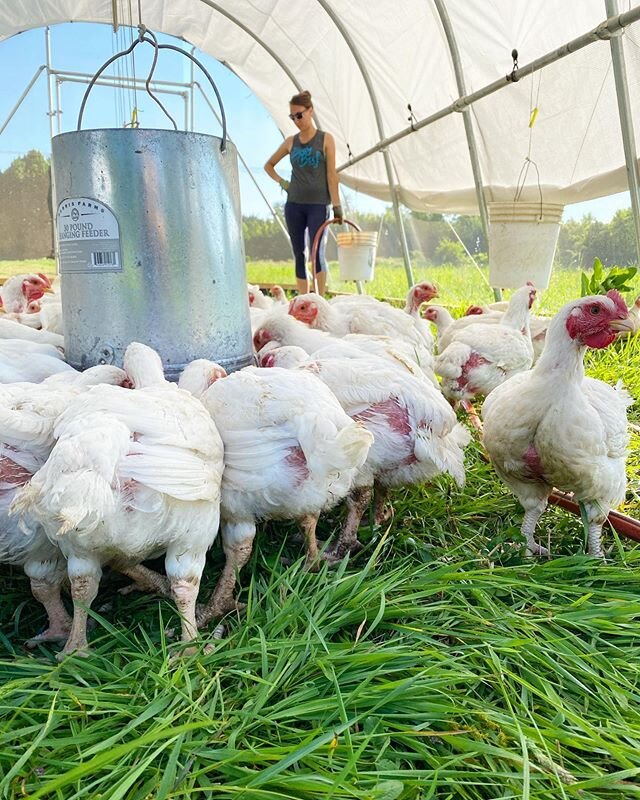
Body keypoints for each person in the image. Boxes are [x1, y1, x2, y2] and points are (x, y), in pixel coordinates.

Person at [264, 90, 343, 296]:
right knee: (299, 254)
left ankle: (318, 300)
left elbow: (331, 175)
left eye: (299, 115)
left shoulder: (326, 139)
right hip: (294, 205)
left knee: (317, 253)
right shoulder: (291, 142)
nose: (296, 120)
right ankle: (303, 299)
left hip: (319, 204)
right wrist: (284, 183)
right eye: (292, 117)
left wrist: (337, 206)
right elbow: (269, 165)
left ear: (310, 111)